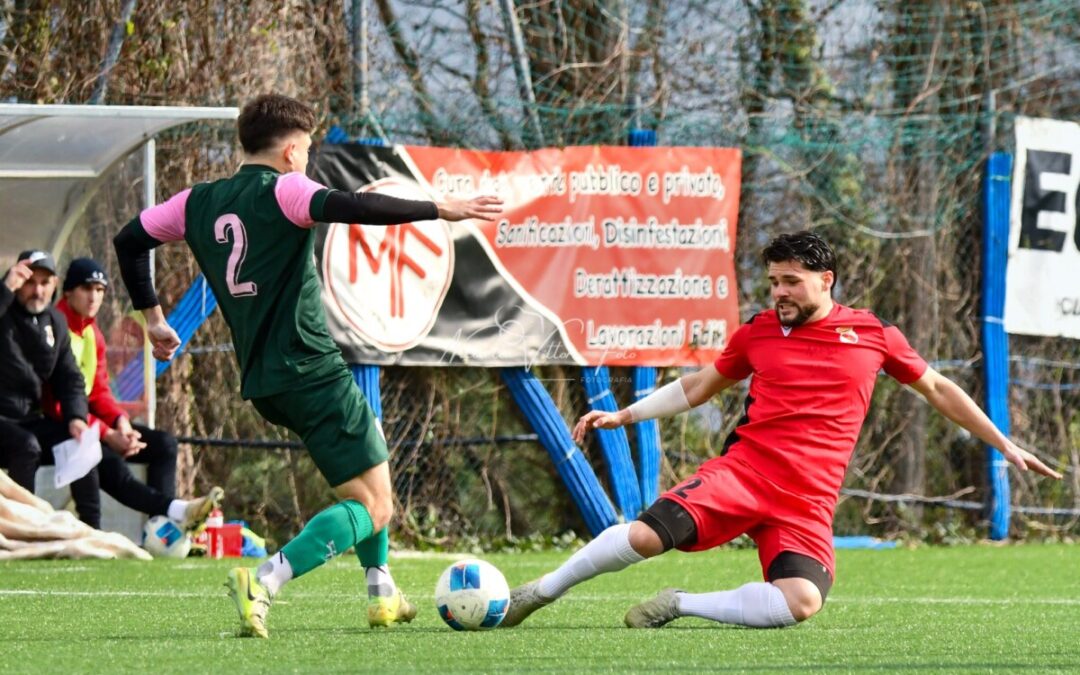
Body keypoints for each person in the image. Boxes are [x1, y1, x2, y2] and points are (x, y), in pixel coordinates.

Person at [501, 230, 1062, 630]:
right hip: (744, 474)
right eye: (773, 282)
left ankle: (679, 604)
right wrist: (625, 415)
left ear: (826, 280)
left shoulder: (873, 335)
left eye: (791, 281)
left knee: (800, 602)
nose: (780, 293)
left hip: (808, 499)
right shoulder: (758, 333)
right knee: (646, 537)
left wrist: (1003, 443)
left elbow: (937, 388)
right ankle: (540, 592)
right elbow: (698, 387)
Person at [112, 93, 502, 638]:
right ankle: (265, 580)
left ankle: (382, 591)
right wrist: (440, 208)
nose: (308, 160)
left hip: (263, 380)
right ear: (293, 151)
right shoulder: (285, 189)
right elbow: (358, 207)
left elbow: (129, 241)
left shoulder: (196, 201)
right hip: (311, 367)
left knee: (370, 465)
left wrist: (153, 318)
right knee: (375, 506)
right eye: (309, 150)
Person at [43, 256, 222, 533]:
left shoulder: (92, 333)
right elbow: (54, 402)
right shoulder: (53, 327)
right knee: (109, 463)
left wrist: (121, 423)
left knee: (164, 444)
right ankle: (175, 513)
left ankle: (160, 530)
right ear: (68, 292)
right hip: (58, 426)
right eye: (86, 288)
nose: (94, 297)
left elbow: (99, 390)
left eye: (100, 290)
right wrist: (106, 434)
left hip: (89, 424)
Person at [0, 250, 97, 525]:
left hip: (28, 419)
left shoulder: (55, 321)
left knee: (79, 441)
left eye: (45, 283)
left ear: (55, 285)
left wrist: (77, 417)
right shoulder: (4, 310)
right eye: (30, 282)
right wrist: (5, 289)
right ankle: (23, 529)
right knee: (27, 446)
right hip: (3, 420)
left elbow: (70, 377)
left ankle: (93, 530)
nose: (37, 291)